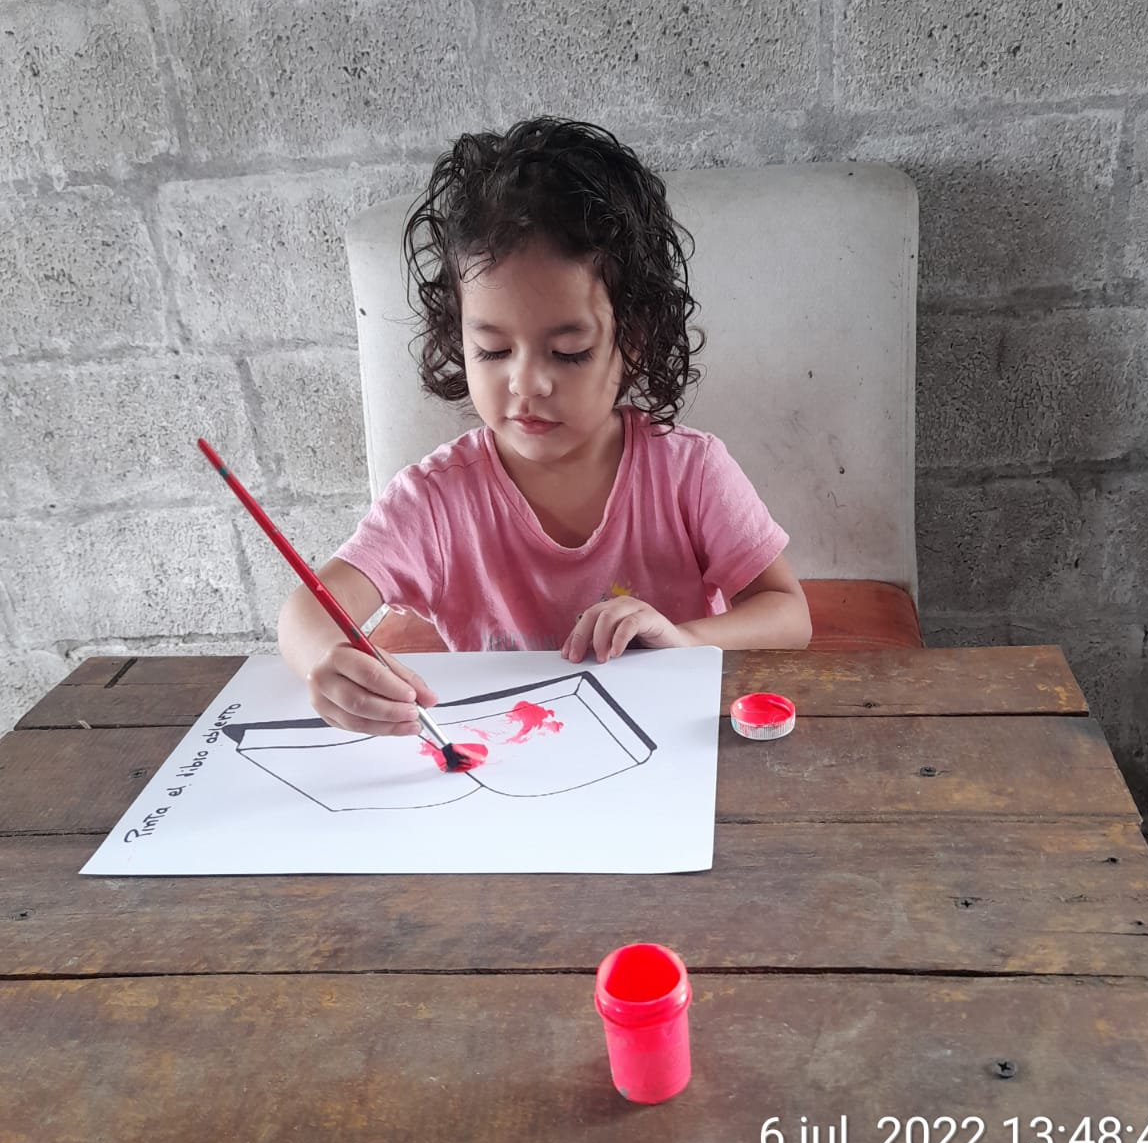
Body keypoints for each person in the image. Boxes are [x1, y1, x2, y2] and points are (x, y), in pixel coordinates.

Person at [278, 117, 811, 737]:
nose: (526, 383)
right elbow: (307, 611)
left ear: (633, 341)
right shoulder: (435, 501)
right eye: (493, 350)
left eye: (568, 353)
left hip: (666, 746)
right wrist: (325, 661)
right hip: (506, 753)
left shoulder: (688, 471)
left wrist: (683, 638)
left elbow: (788, 614)